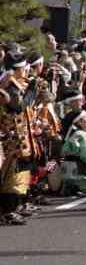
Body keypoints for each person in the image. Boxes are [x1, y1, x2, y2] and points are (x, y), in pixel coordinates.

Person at [0, 53, 34, 226]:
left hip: (14, 133)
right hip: (11, 135)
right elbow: (18, 106)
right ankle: (7, 211)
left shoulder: (11, 81)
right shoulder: (10, 84)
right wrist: (31, 92)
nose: (25, 70)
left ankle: (13, 207)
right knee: (10, 173)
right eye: (23, 67)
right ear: (17, 68)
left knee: (16, 172)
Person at [59, 109, 86, 196]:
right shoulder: (81, 135)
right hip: (79, 168)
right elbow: (83, 155)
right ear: (79, 122)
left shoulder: (73, 133)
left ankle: (70, 187)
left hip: (68, 168)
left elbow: (63, 151)